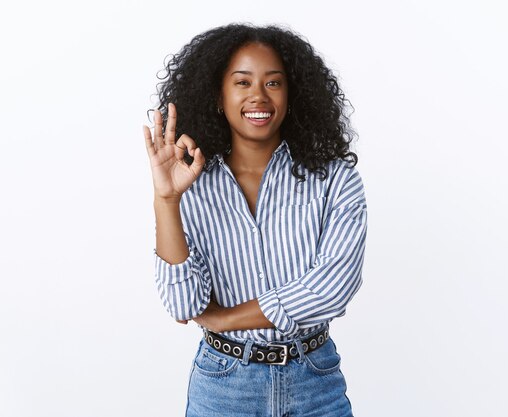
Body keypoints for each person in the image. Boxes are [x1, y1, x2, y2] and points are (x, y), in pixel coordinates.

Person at [143, 23, 367, 417]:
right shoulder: (192, 182)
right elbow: (182, 303)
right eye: (242, 82)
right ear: (219, 95)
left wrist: (225, 318)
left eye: (274, 83)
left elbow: (332, 287)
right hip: (224, 386)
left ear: (292, 94)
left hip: (314, 381)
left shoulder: (335, 177)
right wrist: (167, 199)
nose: (258, 96)